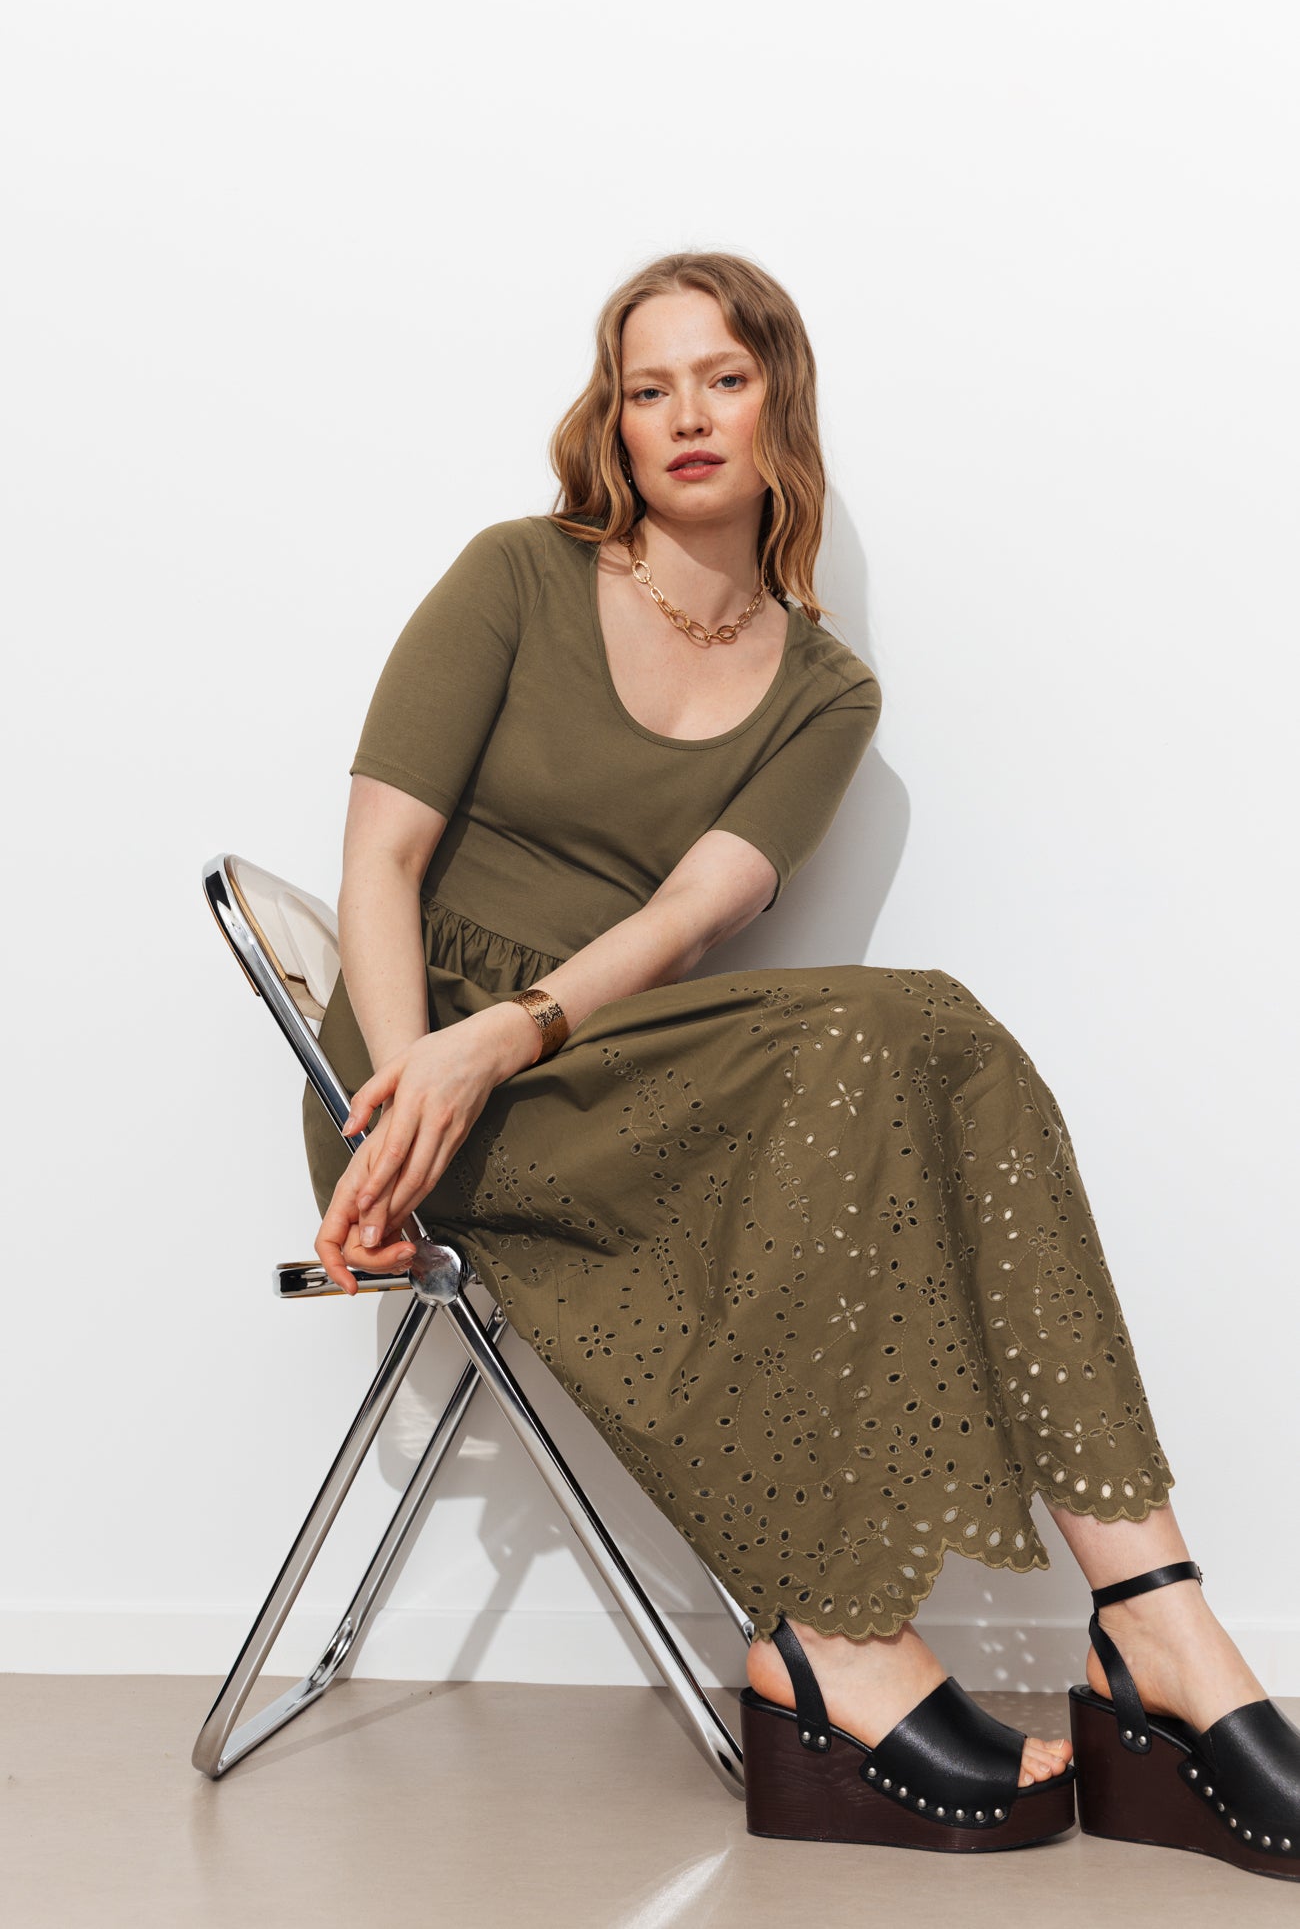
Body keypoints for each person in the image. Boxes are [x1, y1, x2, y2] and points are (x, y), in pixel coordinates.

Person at [302, 250, 1299, 1871]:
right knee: (879, 1033)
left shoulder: (826, 689)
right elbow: (379, 858)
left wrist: (524, 1029)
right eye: (648, 387)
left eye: (724, 377)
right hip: (410, 1075)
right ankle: (856, 1634)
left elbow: (689, 917)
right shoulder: (516, 575)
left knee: (937, 1038)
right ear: (613, 423)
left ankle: (1155, 1613)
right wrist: (426, 1076)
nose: (686, 414)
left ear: (781, 402)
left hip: (589, 1058)